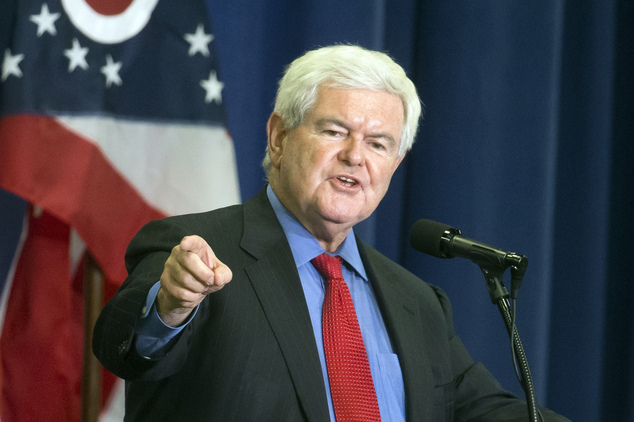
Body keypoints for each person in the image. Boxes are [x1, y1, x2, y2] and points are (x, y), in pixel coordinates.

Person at [93, 44, 570, 421]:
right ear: (279, 138)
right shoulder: (197, 250)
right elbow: (126, 348)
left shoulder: (417, 302)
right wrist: (171, 307)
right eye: (335, 131)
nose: (355, 156)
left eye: (379, 143)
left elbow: (486, 412)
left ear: (394, 164)